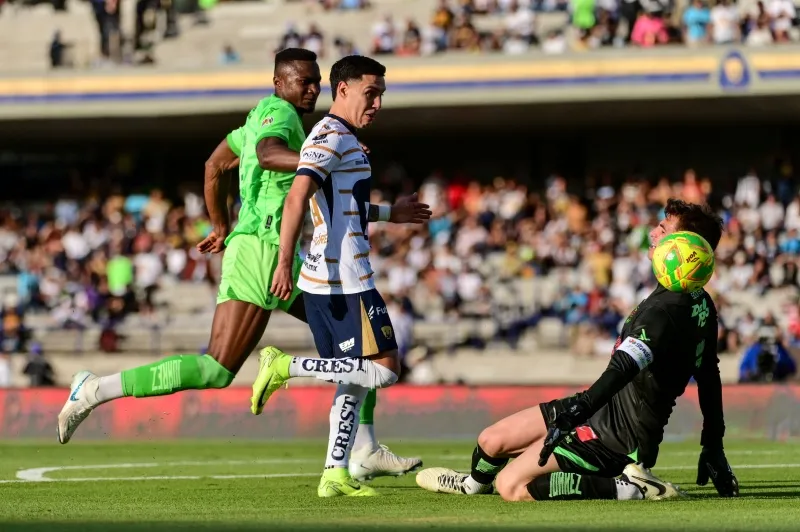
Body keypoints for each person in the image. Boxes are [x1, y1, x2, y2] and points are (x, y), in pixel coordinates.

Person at [56, 49, 421, 482]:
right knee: (217, 368)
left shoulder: (253, 121)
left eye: (314, 81)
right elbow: (268, 155)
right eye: (302, 81)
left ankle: (364, 448)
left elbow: (214, 166)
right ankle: (94, 389)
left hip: (269, 248)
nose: (311, 89)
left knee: (361, 344)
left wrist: (220, 224)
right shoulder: (281, 115)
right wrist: (320, 155)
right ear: (278, 83)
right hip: (262, 251)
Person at [416, 199, 740, 502]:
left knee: (511, 486)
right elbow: (708, 374)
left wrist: (577, 412)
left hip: (617, 438)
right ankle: (472, 485)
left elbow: (624, 368)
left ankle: (631, 488)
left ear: (685, 246)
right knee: (491, 440)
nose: (653, 233)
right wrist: (713, 445)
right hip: (600, 410)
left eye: (663, 229)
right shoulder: (699, 302)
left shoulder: (666, 311)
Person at [250, 55, 432, 497]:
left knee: (354, 376)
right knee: (384, 370)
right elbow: (297, 197)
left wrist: (390, 213)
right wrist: (283, 261)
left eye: (381, 95)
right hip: (344, 279)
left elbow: (343, 203)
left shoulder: (342, 138)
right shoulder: (330, 135)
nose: (378, 104)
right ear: (344, 89)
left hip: (331, 278)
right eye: (371, 93)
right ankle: (285, 365)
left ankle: (335, 473)